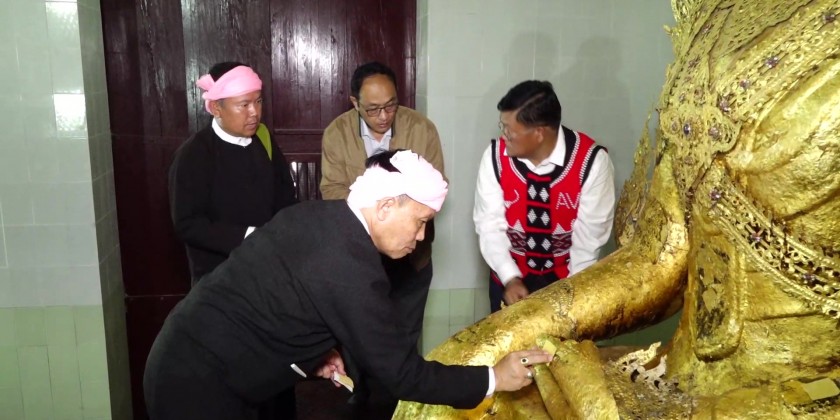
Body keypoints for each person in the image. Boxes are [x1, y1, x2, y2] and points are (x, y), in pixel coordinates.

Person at [144, 150, 551, 420]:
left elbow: (277, 301)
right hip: (195, 386)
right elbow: (401, 373)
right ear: (386, 206)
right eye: (421, 221)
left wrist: (315, 351)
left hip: (186, 358)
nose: (421, 237)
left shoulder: (321, 218)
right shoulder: (349, 263)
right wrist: (493, 378)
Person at [167, 62, 298, 417]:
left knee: (275, 381)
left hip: (270, 285)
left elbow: (286, 200)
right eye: (244, 104)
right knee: (231, 382)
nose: (254, 112)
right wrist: (248, 237)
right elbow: (187, 223)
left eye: (258, 101)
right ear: (215, 107)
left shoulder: (264, 141)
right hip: (220, 288)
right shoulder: (194, 155)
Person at [320, 61, 445, 403]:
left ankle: (400, 400)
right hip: (359, 257)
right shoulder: (336, 133)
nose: (384, 116)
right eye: (373, 109)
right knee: (357, 332)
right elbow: (331, 192)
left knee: (404, 333)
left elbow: (436, 190)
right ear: (354, 102)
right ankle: (358, 393)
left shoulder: (422, 129)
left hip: (411, 257)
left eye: (391, 105)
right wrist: (380, 216)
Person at [473, 80, 615, 312]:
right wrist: (510, 278)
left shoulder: (592, 163)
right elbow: (489, 225)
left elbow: (589, 239)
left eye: (509, 130)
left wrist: (571, 295)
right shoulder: (494, 157)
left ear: (539, 133)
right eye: (502, 126)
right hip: (508, 280)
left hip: (569, 282)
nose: (503, 136)